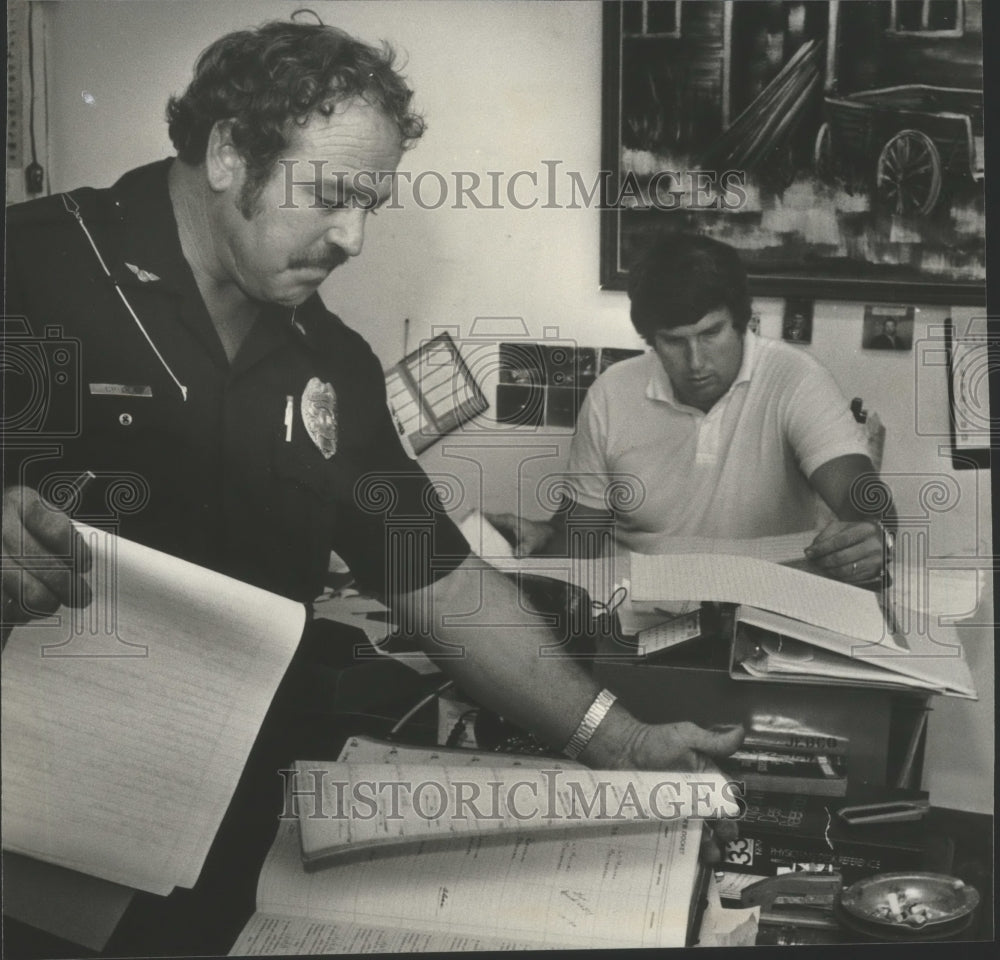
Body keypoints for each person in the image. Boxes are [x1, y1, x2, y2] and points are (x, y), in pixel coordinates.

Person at [2, 19, 741, 955]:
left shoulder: (332, 364)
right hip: (32, 844)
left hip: (222, 839)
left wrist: (621, 741)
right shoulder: (35, 269)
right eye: (331, 197)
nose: (352, 237)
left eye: (372, 205)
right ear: (228, 151)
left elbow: (440, 582)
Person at [492, 234, 894, 584]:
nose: (696, 361)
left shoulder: (796, 379)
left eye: (711, 333)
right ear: (650, 338)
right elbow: (579, 541)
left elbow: (865, 499)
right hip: (637, 609)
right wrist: (537, 542)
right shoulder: (611, 392)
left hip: (769, 610)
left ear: (741, 322)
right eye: (674, 341)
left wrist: (873, 534)